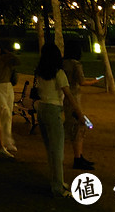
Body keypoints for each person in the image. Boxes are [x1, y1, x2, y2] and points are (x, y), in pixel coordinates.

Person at [35, 42, 89, 198]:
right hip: (53, 110)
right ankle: (58, 187)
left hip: (42, 109)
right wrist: (80, 114)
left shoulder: (40, 72)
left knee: (50, 149)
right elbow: (69, 96)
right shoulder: (59, 73)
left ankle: (56, 181)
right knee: (57, 151)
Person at [62, 41, 98, 170]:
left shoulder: (62, 63)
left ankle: (79, 156)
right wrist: (93, 81)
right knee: (79, 125)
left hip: (65, 98)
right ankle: (78, 158)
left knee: (77, 124)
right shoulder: (76, 64)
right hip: (74, 97)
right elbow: (81, 81)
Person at [0, 38, 19, 154]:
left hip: (8, 86)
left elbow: (17, 62)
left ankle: (8, 140)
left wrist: (8, 53)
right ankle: (4, 139)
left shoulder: (6, 58)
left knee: (8, 113)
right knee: (4, 111)